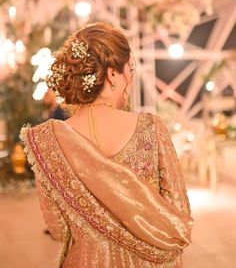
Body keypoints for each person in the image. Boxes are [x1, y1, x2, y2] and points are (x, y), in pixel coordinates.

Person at [20, 22, 194, 268]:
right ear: (112, 74)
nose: (131, 81)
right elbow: (178, 216)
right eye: (129, 70)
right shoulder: (151, 129)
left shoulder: (47, 141)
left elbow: (57, 228)